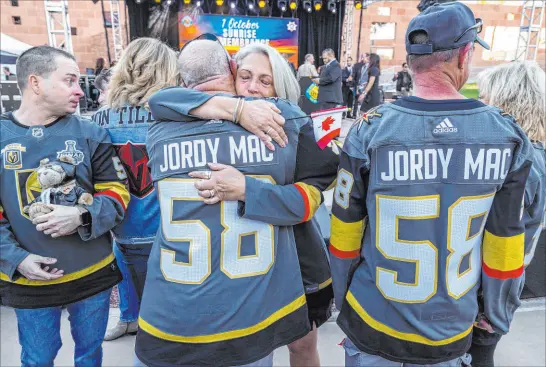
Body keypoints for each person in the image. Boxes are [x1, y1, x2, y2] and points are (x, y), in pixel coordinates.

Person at [329, 2, 535, 366]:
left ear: (410, 62)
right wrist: (494, 320)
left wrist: (345, 302)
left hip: (374, 321)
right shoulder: (507, 136)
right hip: (450, 329)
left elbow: (344, 240)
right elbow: (504, 251)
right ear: (464, 55)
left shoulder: (368, 131)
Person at [135, 38, 337, 367]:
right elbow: (332, 159)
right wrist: (236, 108)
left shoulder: (160, 130)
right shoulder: (287, 121)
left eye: (265, 79)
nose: (252, 88)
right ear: (231, 70)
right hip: (253, 299)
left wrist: (247, 188)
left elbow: (159, 101)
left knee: (303, 347)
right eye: (245, 76)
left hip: (284, 267)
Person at [0, 45, 129, 366]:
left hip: (93, 276)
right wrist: (17, 259)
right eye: (68, 80)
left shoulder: (92, 133)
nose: (78, 91)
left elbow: (118, 191)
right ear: (36, 83)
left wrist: (82, 215)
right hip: (30, 281)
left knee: (89, 355)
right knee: (38, 358)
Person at [93, 38, 179, 341]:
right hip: (164, 227)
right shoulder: (174, 117)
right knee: (167, 302)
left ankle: (131, 317)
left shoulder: (99, 118)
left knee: (123, 256)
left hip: (121, 223)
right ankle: (146, 325)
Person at [468, 61, 546, 367]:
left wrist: (490, 308)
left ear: (508, 101)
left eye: (487, 97)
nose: (482, 105)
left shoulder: (523, 161)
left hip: (487, 297)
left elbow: (502, 234)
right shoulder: (530, 154)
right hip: (493, 294)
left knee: (477, 357)